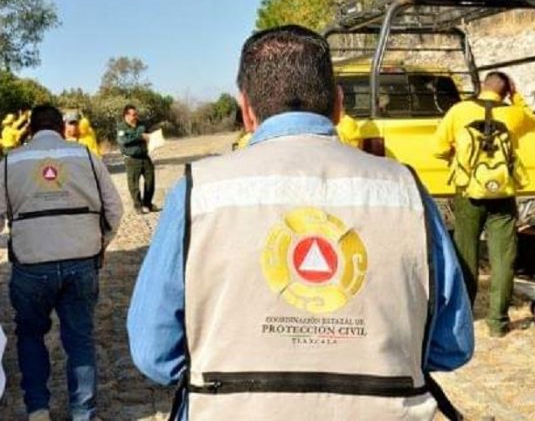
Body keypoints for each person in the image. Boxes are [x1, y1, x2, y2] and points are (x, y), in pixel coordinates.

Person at [127, 25, 473, 420]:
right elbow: (452, 345)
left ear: (246, 111)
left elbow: (154, 353)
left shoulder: (198, 191)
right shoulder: (406, 190)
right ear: (339, 105)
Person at [0, 105, 123, 420]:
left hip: (31, 266)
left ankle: (38, 409)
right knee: (80, 337)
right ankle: (83, 412)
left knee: (29, 335)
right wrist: (100, 244)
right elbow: (114, 209)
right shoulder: (86, 156)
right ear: (60, 126)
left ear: (29, 129)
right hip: (81, 261)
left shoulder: (9, 162)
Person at [433, 71, 535, 337]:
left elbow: (438, 148)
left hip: (468, 191)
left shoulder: (459, 111)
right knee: (503, 257)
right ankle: (498, 322)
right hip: (503, 193)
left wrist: (459, 163)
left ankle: (464, 316)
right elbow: (532, 121)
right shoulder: (513, 114)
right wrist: (517, 97)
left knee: (466, 254)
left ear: (481, 87)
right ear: (506, 90)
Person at [116, 105, 157, 213]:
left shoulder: (142, 125)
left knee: (150, 180)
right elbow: (123, 141)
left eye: (136, 114)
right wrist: (140, 137)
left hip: (145, 156)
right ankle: (138, 205)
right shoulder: (121, 127)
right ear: (126, 115)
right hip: (132, 158)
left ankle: (147, 203)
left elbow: (148, 135)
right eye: (133, 115)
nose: (135, 117)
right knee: (134, 184)